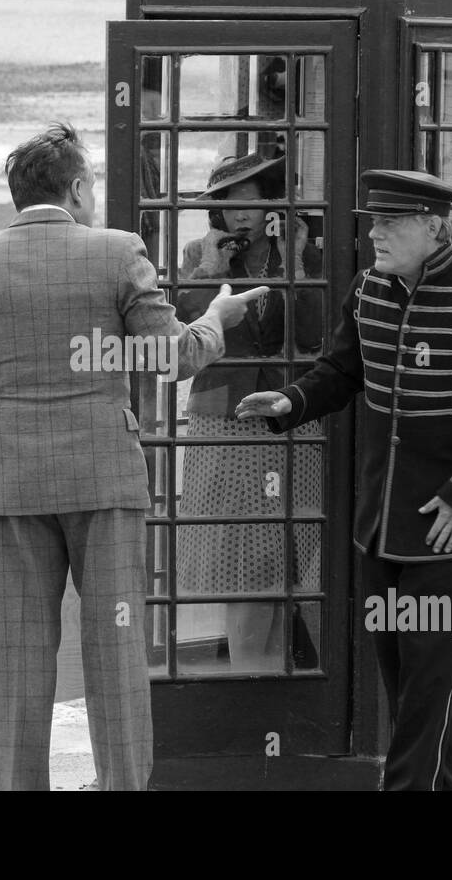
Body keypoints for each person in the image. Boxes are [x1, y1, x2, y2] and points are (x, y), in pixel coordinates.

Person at [0, 122, 267, 790]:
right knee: (115, 649)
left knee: (18, 657)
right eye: (93, 185)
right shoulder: (117, 252)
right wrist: (216, 318)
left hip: (15, 482)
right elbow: (174, 356)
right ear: (77, 187)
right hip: (106, 479)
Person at [237, 169, 452, 791]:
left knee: (428, 679)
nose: (375, 234)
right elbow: (339, 372)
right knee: (404, 676)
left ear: (432, 225)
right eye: (373, 222)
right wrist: (291, 402)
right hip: (381, 522)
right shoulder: (368, 290)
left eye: (390, 223)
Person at [174, 153, 324, 673]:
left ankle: (280, 672)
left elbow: (313, 334)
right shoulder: (199, 254)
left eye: (253, 202)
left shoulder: (298, 256)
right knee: (238, 551)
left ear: (272, 206)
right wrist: (213, 268)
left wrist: (299, 261)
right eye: (230, 204)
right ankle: (249, 672)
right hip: (225, 419)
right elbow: (182, 337)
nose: (242, 215)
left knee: (290, 547)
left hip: (290, 411)